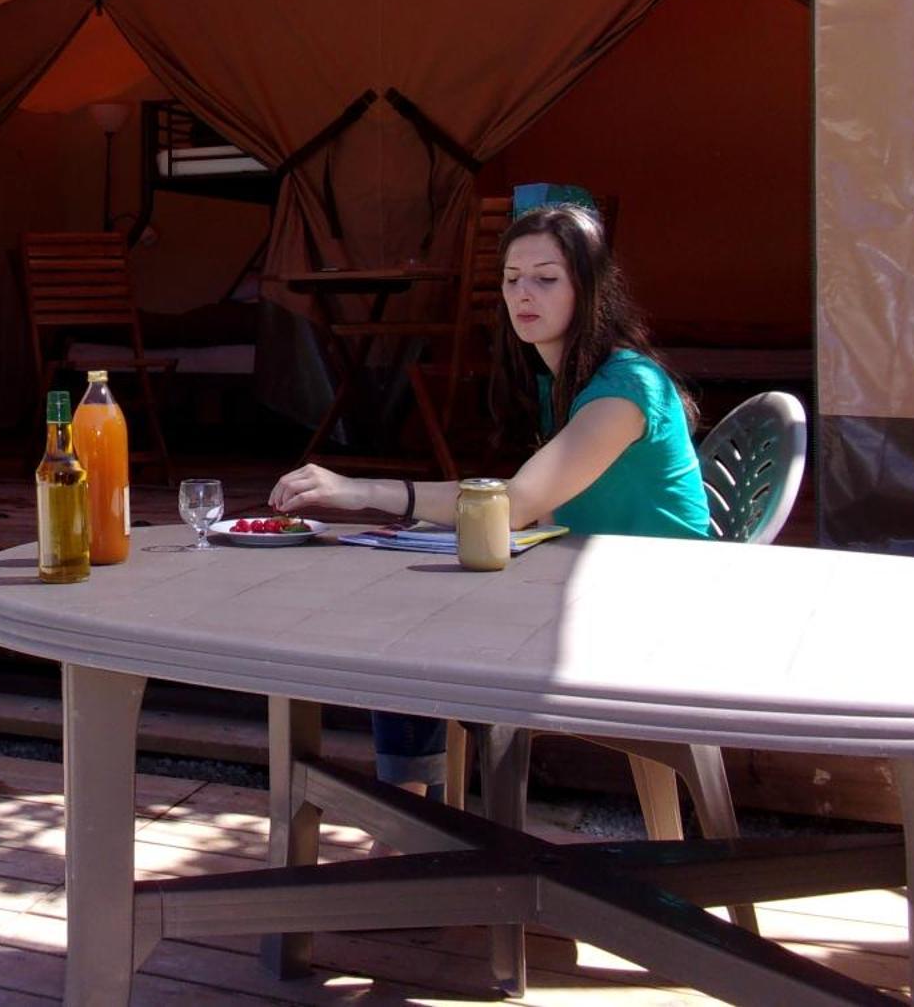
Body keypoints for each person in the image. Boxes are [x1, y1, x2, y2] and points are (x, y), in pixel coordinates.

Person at [267, 202, 710, 793]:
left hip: (655, 605)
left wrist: (361, 492)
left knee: (412, 624)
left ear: (592, 288)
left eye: (547, 279)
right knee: (412, 597)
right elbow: (542, 511)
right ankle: (414, 807)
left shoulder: (624, 389)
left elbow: (519, 502)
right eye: (511, 279)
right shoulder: (568, 379)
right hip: (593, 578)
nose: (524, 294)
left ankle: (409, 815)